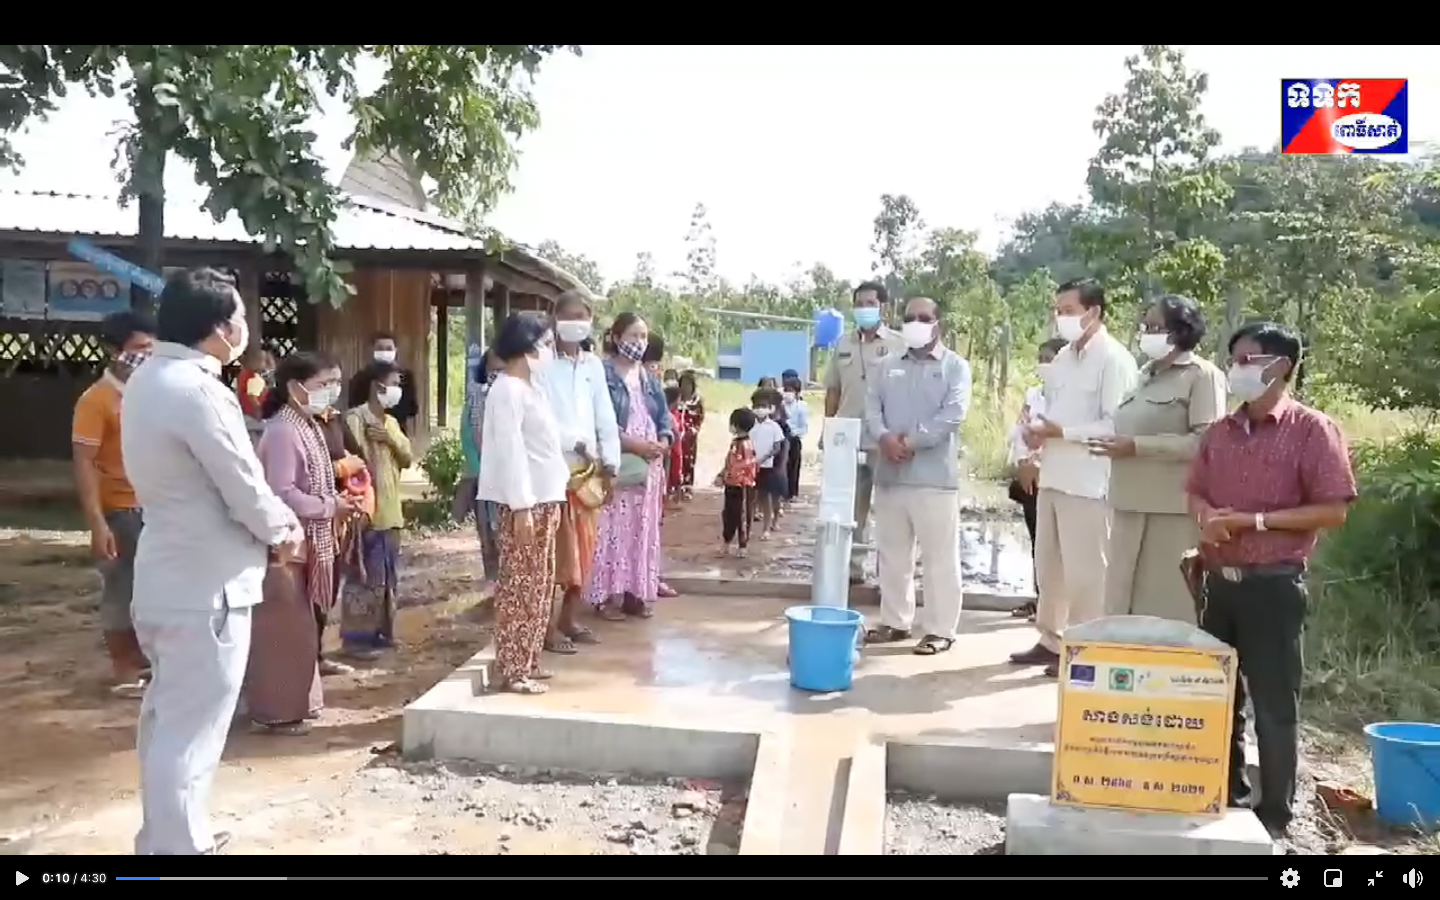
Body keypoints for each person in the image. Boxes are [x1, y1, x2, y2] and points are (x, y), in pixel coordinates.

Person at [121, 267, 302, 855]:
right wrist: (285, 531)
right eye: (241, 318)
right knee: (191, 730)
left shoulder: (146, 379)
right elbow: (243, 485)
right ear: (221, 328)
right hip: (208, 587)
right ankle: (179, 849)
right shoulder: (200, 391)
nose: (246, 329)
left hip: (164, 576)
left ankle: (168, 837)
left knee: (167, 722)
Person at [1186, 321, 1356, 838]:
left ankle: (1274, 817)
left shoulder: (1312, 430)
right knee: (1217, 698)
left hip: (1273, 584)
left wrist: (1254, 522)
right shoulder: (1220, 431)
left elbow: (1333, 510)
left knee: (1274, 704)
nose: (1234, 369)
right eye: (1233, 359)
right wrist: (1206, 516)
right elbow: (1195, 490)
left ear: (1280, 367)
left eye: (1246, 360)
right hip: (1218, 583)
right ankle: (1225, 794)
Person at [1010, 278, 1139, 677]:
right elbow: (1051, 409)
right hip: (1053, 476)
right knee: (1049, 569)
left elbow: (1116, 424)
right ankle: (1051, 641)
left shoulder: (1114, 360)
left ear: (1093, 311)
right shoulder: (1064, 358)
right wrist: (1037, 433)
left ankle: (1086, 650)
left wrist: (1063, 432)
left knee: (1087, 575)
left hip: (1090, 482)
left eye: (1068, 310)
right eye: (1058, 310)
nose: (1061, 317)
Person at [1086, 295, 1227, 624]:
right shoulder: (1145, 374)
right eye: (1145, 326)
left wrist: (1138, 446)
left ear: (1181, 330)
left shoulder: (1201, 375)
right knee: (1121, 599)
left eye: (1155, 327)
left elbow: (1206, 442)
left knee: (1165, 602)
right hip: (1127, 502)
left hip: (1170, 509)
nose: (1146, 333)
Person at [247, 351, 353, 735]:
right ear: (295, 387)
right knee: (283, 632)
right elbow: (282, 493)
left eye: (335, 383)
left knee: (301, 630)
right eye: (324, 384)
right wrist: (329, 506)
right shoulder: (283, 431)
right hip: (286, 545)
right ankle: (276, 712)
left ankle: (298, 705)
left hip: (306, 543)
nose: (332, 391)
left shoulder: (306, 424)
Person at [861, 297, 972, 656]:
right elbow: (871, 408)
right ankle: (895, 622)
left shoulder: (955, 367)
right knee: (892, 555)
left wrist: (910, 442)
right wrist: (884, 438)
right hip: (890, 476)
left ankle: (940, 630)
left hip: (934, 479)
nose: (916, 323)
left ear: (938, 323)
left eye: (924, 318)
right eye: (910, 318)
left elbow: (952, 415)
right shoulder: (886, 365)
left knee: (939, 559)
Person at [478, 314, 569, 695]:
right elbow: (511, 451)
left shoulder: (533, 388)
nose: (549, 351)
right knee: (520, 584)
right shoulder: (507, 390)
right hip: (525, 503)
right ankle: (512, 668)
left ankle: (528, 658)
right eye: (545, 344)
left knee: (540, 583)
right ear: (525, 346)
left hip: (547, 498)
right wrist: (521, 506)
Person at [72, 309, 157, 699]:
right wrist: (97, 523)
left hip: (156, 506)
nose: (148, 354)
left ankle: (144, 660)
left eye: (153, 347)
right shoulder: (97, 400)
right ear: (114, 350)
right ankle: (124, 669)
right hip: (120, 510)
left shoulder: (153, 394)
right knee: (122, 586)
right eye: (140, 347)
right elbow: (84, 463)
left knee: (153, 588)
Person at [534, 290, 620, 654]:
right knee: (559, 554)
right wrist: (575, 442)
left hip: (590, 472)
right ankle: (547, 628)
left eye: (581, 316)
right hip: (554, 470)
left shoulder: (592, 365)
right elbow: (539, 417)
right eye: (567, 315)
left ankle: (569, 618)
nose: (574, 322)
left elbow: (605, 415)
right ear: (554, 319)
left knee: (584, 551)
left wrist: (610, 462)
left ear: (590, 320)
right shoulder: (541, 362)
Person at [589, 313, 673, 620]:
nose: (639, 342)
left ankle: (633, 593)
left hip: (649, 466)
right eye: (633, 335)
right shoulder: (603, 374)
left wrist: (663, 440)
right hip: (619, 461)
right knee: (611, 529)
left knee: (641, 529)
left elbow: (664, 417)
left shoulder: (648, 378)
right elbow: (598, 420)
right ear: (616, 337)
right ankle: (605, 596)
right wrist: (631, 444)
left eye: (643, 336)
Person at [824, 281, 906, 584]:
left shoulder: (898, 344)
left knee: (888, 508)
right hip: (847, 438)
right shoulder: (843, 344)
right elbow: (833, 389)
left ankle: (889, 574)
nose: (864, 309)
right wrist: (828, 429)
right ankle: (853, 569)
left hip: (883, 439)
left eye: (870, 303)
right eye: (859, 304)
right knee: (850, 508)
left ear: (883, 308)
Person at [340, 360, 414, 658]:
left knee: (388, 578)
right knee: (363, 577)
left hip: (392, 513)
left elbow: (407, 457)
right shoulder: (354, 419)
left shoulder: (391, 423)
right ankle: (357, 640)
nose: (397, 390)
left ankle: (383, 633)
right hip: (366, 511)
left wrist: (389, 438)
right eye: (394, 384)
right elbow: (351, 460)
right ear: (377, 386)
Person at [1006, 339, 1067, 620]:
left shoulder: (1069, 398)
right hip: (1030, 479)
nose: (1044, 364)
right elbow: (1020, 430)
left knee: (1060, 546)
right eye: (1041, 358)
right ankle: (1040, 598)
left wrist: (1040, 462)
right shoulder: (1034, 394)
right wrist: (1023, 462)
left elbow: (1065, 437)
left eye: (1050, 358)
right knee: (1038, 542)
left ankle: (1057, 607)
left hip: (1057, 476)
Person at [463, 349, 502, 589]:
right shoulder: (475, 397)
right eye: (492, 369)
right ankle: (491, 576)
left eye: (501, 369)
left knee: (504, 527)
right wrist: (479, 467)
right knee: (486, 526)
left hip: (506, 474)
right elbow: (467, 435)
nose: (496, 374)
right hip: (482, 473)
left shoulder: (513, 396)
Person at [350, 332, 418, 436]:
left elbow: (412, 409)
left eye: (389, 348)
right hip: (369, 431)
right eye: (380, 348)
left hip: (397, 432)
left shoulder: (405, 376)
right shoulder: (360, 377)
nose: (385, 352)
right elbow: (353, 405)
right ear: (372, 350)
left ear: (396, 350)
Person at [715, 407, 759, 557]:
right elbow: (729, 462)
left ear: (737, 425)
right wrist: (722, 475)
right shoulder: (735, 443)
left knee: (742, 516)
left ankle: (742, 545)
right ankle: (726, 542)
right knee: (728, 514)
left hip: (743, 486)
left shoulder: (746, 444)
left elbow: (745, 465)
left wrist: (727, 475)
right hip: (731, 484)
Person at [748, 388, 787, 539]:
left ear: (770, 408)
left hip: (768, 467)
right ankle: (748, 527)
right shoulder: (750, 425)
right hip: (751, 466)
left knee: (767, 498)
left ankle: (767, 528)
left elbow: (778, 447)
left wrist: (764, 458)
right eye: (757, 406)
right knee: (751, 498)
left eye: (763, 406)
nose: (760, 409)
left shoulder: (774, 427)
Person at [781, 369, 809, 505]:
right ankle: (782, 492)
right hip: (781, 438)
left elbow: (804, 427)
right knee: (782, 466)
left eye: (791, 391)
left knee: (793, 466)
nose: (787, 393)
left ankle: (792, 493)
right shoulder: (781, 405)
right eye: (786, 390)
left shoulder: (801, 407)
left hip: (794, 439)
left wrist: (794, 433)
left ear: (797, 392)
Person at [235, 345, 275, 440]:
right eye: (265, 361)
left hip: (246, 415)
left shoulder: (245, 374)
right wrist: (259, 412)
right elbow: (252, 397)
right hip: (254, 418)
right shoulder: (254, 378)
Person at [676, 371, 705, 498]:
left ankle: (687, 487)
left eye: (688, 385)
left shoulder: (697, 401)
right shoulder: (676, 399)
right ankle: (676, 487)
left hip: (690, 437)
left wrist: (693, 430)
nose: (685, 387)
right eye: (683, 384)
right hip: (677, 436)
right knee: (677, 460)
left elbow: (700, 417)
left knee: (689, 461)